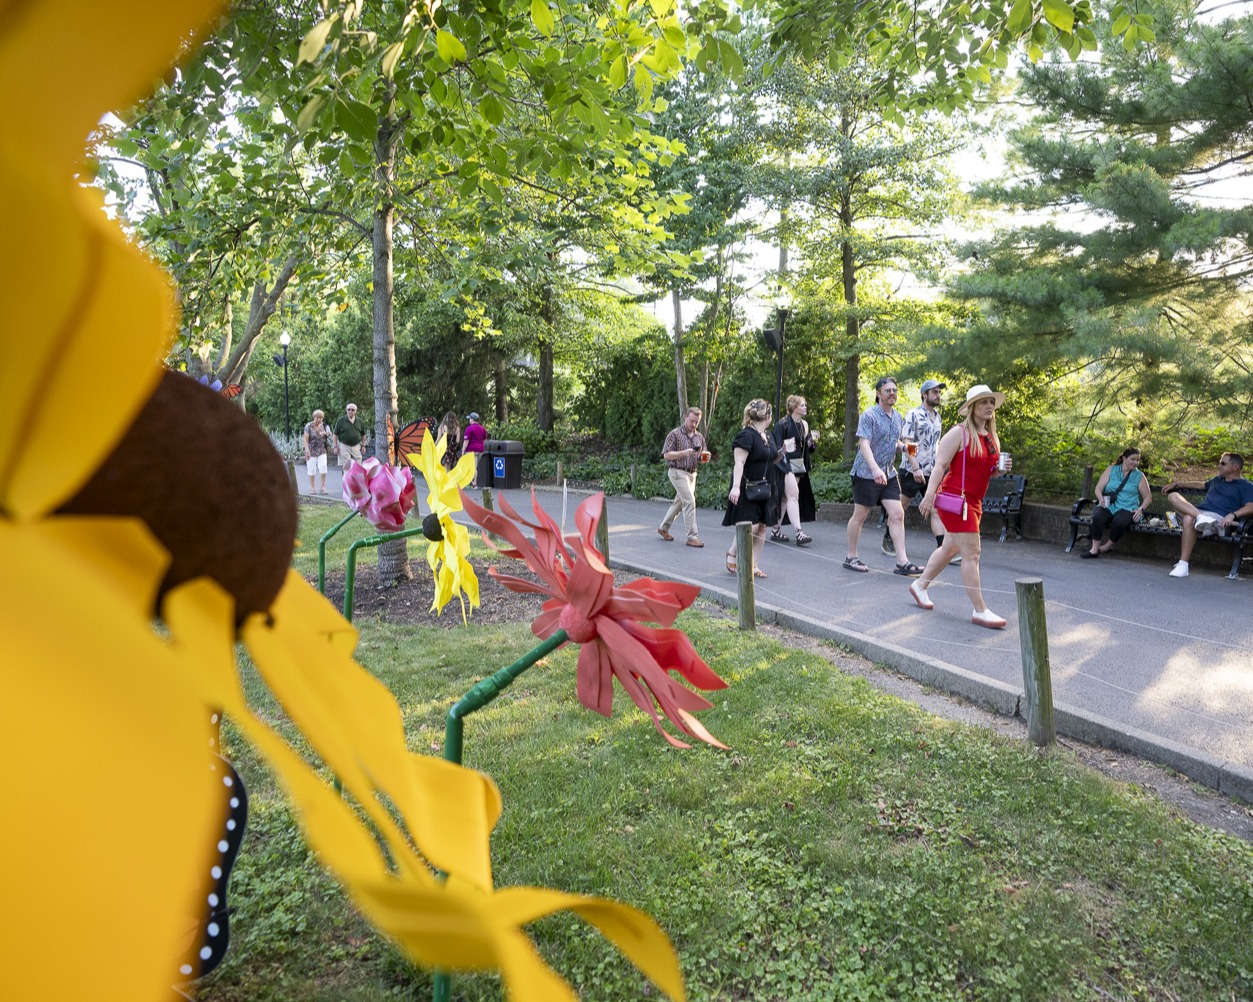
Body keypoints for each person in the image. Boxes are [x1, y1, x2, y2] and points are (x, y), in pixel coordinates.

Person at [909, 384, 1010, 628]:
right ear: (972, 407)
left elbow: (985, 471)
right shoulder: (959, 433)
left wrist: (998, 471)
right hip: (956, 500)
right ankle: (980, 610)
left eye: (991, 402)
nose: (989, 406)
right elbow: (940, 466)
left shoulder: (991, 436)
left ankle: (920, 585)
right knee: (972, 553)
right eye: (983, 402)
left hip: (973, 501)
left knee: (949, 548)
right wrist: (929, 495)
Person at [843, 376, 923, 576]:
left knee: (897, 514)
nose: (892, 394)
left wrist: (903, 447)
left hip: (888, 473)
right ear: (878, 393)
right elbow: (864, 443)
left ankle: (902, 562)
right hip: (865, 473)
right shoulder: (869, 415)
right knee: (860, 515)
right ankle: (851, 556)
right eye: (888, 390)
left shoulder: (897, 417)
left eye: (895, 390)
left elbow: (892, 441)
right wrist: (874, 469)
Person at [884, 379, 951, 563]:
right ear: (924, 395)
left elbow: (936, 444)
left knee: (936, 508)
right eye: (935, 392)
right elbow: (907, 443)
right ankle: (888, 537)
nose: (938, 395)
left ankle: (943, 548)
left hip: (932, 471)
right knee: (901, 507)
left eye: (939, 392)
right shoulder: (913, 415)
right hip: (911, 470)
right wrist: (915, 468)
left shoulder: (937, 417)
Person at [1164, 453, 1253, 578]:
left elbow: (1251, 507)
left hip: (1218, 519)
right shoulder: (1217, 480)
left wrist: (1232, 515)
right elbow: (1201, 484)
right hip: (1201, 513)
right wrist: (1177, 484)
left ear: (1235, 467)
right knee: (1173, 496)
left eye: (1223, 463)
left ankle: (1183, 564)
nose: (1219, 465)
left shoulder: (1246, 486)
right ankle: (1200, 517)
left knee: (1189, 519)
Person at [723, 398, 778, 578]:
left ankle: (753, 565)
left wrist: (782, 451)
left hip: (765, 486)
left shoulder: (768, 436)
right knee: (750, 526)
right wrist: (736, 487)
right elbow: (739, 462)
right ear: (767, 415)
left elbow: (771, 458)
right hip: (747, 486)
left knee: (762, 526)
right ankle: (733, 552)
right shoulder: (746, 435)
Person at [1081, 447, 1152, 558]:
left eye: (1137, 460)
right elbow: (1098, 488)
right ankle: (1094, 549)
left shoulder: (1139, 476)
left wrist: (1140, 509)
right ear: (1124, 458)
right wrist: (1101, 498)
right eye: (1133, 459)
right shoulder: (1111, 469)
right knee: (1098, 516)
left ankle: (1107, 546)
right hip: (1109, 505)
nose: (1136, 462)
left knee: (1119, 521)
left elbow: (1148, 497)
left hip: (1128, 508)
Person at [769, 395, 817, 546]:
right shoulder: (782, 424)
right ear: (794, 407)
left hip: (798, 463)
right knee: (793, 495)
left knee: (786, 498)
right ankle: (799, 532)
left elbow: (805, 448)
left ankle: (776, 530)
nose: (805, 407)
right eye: (802, 405)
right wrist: (785, 448)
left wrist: (811, 441)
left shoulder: (804, 424)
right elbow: (775, 448)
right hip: (784, 463)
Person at [658, 406, 707, 548]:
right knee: (690, 501)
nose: (693, 424)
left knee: (679, 503)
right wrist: (684, 453)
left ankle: (664, 527)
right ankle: (692, 536)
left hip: (692, 473)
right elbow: (666, 454)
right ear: (685, 417)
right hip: (677, 472)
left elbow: (700, 457)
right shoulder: (675, 434)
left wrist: (704, 458)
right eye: (691, 420)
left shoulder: (699, 437)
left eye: (696, 422)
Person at [302, 409, 334, 494]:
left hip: (321, 449)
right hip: (311, 450)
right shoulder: (309, 426)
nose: (319, 420)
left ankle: (322, 487)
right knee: (311, 469)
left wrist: (326, 433)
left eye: (321, 418)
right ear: (314, 417)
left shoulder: (324, 425)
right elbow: (305, 439)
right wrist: (307, 450)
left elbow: (329, 432)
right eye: (317, 418)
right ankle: (312, 488)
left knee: (323, 467)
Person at [332, 402, 367, 468]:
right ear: (346, 410)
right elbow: (335, 434)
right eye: (348, 409)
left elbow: (363, 434)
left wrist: (363, 445)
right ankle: (346, 478)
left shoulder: (359, 421)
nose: (350, 411)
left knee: (358, 465)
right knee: (347, 466)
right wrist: (335, 446)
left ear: (356, 411)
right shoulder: (341, 421)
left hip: (356, 446)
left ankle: (355, 478)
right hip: (344, 446)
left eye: (352, 410)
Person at [460, 412, 488, 487]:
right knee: (474, 466)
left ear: (472, 419)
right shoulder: (483, 429)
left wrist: (463, 451)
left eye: (470, 418)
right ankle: (471, 482)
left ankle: (474, 483)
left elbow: (466, 441)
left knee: (473, 467)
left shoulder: (469, 429)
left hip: (471, 450)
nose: (469, 420)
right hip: (480, 450)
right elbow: (485, 441)